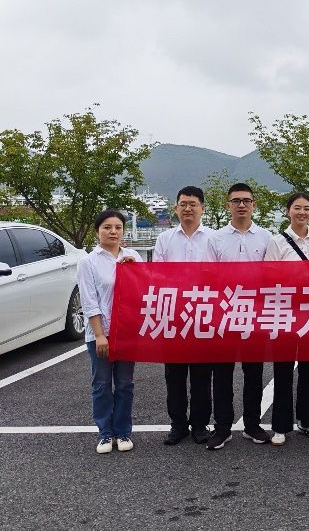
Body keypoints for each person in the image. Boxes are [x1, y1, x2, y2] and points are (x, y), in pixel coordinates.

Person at [205, 183, 273, 450]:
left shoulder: (266, 237)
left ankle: (253, 424)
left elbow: (274, 276)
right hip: (223, 313)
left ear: (254, 205)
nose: (241, 205)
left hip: (255, 313)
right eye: (236, 201)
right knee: (222, 373)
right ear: (228, 205)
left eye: (246, 200)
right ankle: (222, 427)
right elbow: (208, 277)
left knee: (254, 372)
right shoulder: (216, 238)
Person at [264, 192, 309, 446]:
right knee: (282, 370)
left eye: (307, 208)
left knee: (308, 369)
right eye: (297, 208)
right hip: (284, 313)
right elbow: (268, 276)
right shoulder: (276, 242)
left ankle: (306, 421)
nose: (302, 212)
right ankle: (280, 426)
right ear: (288, 211)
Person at [153, 186, 215, 446]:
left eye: (193, 204)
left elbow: (223, 276)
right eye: (183, 204)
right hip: (174, 317)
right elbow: (156, 276)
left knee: (202, 375)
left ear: (202, 208)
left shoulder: (214, 239)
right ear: (176, 208)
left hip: (204, 315)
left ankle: (200, 424)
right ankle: (177, 424)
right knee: (174, 376)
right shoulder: (165, 239)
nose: (188, 208)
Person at [77, 209, 142, 454]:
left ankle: (123, 431)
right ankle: (105, 433)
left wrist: (134, 270)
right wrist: (99, 334)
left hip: (126, 332)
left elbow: (144, 289)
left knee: (125, 384)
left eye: (118, 227)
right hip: (100, 333)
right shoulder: (88, 262)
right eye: (107, 227)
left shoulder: (133, 256)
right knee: (102, 384)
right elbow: (89, 301)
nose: (113, 232)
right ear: (97, 231)